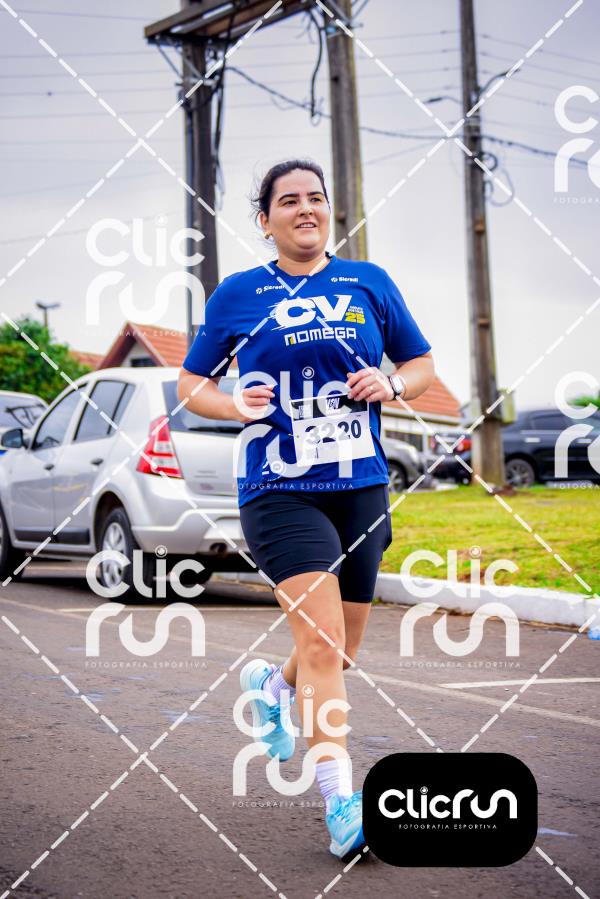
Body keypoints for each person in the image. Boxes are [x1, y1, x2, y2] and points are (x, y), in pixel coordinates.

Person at [178, 158, 435, 859]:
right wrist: (232, 402)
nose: (305, 209)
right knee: (321, 644)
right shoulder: (239, 293)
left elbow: (421, 365)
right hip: (279, 488)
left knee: (340, 650)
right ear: (265, 221)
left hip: (361, 486)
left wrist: (391, 383)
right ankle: (341, 802)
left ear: (329, 210)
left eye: (315, 197)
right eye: (288, 201)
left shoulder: (368, 282)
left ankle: (271, 683)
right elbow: (192, 382)